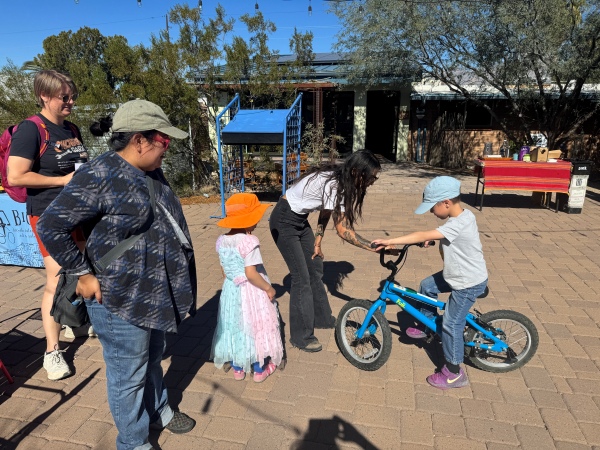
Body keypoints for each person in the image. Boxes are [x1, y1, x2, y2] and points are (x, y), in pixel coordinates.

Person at [36, 99, 197, 449]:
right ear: (139, 140)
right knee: (128, 377)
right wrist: (82, 273)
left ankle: (158, 411)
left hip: (151, 293)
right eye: (163, 142)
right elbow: (51, 225)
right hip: (118, 298)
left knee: (152, 358)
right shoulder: (99, 175)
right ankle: (134, 442)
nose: (166, 150)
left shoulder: (149, 169)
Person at [6, 69, 93, 382]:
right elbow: (16, 175)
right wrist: (61, 180)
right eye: (64, 97)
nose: (70, 102)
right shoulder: (31, 130)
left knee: (80, 269)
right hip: (48, 215)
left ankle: (72, 320)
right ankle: (52, 351)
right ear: (44, 96)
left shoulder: (71, 127)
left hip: (78, 213)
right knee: (56, 280)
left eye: (73, 96)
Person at [372, 176, 488, 390]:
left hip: (467, 283)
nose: (431, 212)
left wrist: (390, 241)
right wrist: (436, 239)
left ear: (446, 202)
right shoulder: (463, 216)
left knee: (451, 324)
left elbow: (424, 233)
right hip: (458, 275)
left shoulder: (459, 223)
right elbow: (449, 236)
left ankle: (454, 373)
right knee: (427, 286)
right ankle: (427, 326)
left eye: (432, 207)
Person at [269, 149, 381, 352]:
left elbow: (326, 210)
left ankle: (322, 318)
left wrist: (318, 239)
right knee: (301, 279)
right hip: (284, 220)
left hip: (299, 221)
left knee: (315, 268)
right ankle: (301, 337)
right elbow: (343, 230)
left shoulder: (341, 180)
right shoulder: (333, 184)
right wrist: (373, 247)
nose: (373, 181)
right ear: (357, 172)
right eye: (371, 176)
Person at [211, 193, 284, 382]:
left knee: (236, 325)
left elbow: (224, 271)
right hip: (251, 291)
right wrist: (268, 288)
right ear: (248, 220)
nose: (257, 223)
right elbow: (251, 272)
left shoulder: (222, 241)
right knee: (254, 324)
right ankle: (259, 370)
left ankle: (238, 368)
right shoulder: (250, 242)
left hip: (231, 290)